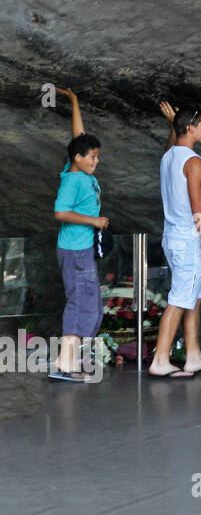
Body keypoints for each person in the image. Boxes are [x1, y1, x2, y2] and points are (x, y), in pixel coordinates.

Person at [150, 103, 201, 379]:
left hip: (172, 236)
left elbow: (172, 143)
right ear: (190, 128)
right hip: (188, 238)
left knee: (194, 296)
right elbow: (198, 207)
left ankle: (193, 356)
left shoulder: (168, 156)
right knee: (179, 299)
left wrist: (173, 123)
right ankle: (160, 360)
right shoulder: (194, 161)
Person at [50, 88, 109, 382]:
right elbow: (60, 212)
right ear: (79, 158)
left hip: (80, 249)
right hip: (75, 250)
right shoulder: (73, 181)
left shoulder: (77, 168)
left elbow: (79, 137)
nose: (96, 162)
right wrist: (94, 220)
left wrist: (74, 102)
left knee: (88, 301)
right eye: (93, 157)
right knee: (79, 301)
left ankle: (71, 362)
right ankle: (64, 364)